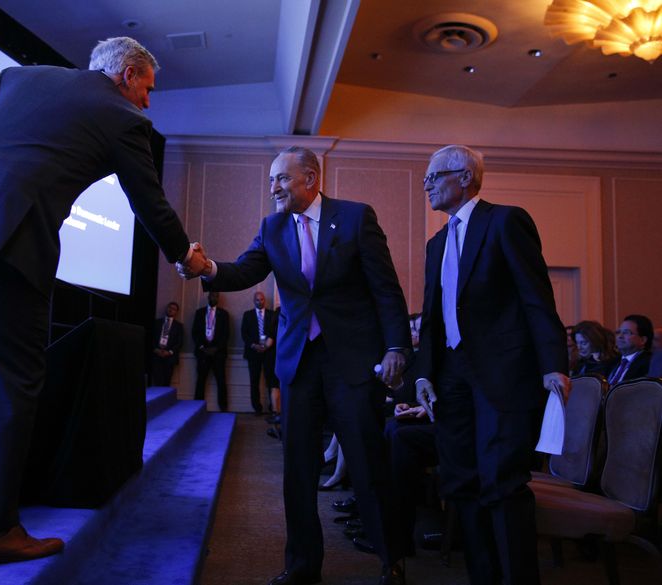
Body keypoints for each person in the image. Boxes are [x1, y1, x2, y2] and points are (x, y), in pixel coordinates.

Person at [0, 37, 205, 567]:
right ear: (127, 75)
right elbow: (148, 201)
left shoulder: (22, 77)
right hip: (2, 231)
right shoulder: (124, 118)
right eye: (147, 89)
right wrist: (185, 257)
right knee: (16, 377)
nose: (148, 102)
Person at [181, 146, 411, 585]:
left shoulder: (357, 217)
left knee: (367, 464)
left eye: (281, 179)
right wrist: (206, 267)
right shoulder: (272, 228)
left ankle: (391, 560)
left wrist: (396, 345)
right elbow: (244, 271)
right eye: (271, 181)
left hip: (351, 363)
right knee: (298, 470)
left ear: (310, 178)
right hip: (298, 364)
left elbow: (386, 289)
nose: (273, 189)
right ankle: (303, 566)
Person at [413, 145, 570, 585]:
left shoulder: (505, 221)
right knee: (461, 483)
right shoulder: (436, 243)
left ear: (464, 176)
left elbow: (536, 297)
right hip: (451, 377)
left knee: (502, 484)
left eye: (433, 176)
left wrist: (554, 363)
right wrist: (424, 373)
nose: (426, 184)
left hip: (504, 375)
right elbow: (430, 318)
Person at [193, 291, 230, 411]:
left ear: (218, 298)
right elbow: (195, 332)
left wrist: (216, 348)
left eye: (216, 296)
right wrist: (203, 347)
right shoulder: (199, 313)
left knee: (221, 381)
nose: (214, 297)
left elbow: (226, 334)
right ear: (208, 297)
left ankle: (223, 408)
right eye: (212, 295)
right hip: (203, 352)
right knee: (200, 380)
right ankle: (197, 408)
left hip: (218, 353)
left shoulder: (224, 314)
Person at [242, 291, 276, 414]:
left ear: (264, 301)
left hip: (269, 354)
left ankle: (274, 408)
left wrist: (266, 346)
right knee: (254, 381)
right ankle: (257, 408)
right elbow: (244, 334)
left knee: (271, 381)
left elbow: (275, 334)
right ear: (254, 301)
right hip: (253, 353)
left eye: (262, 299)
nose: (259, 302)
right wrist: (254, 345)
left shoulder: (272, 315)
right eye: (257, 300)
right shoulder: (247, 315)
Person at [607, 314, 654, 385]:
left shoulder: (650, 364)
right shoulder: (611, 362)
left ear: (643, 340)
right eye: (618, 332)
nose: (620, 336)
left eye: (626, 332)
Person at [150, 301, 184, 386]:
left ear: (176, 312)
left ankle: (165, 399)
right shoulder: (157, 322)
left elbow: (179, 342)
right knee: (157, 381)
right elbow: (151, 337)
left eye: (173, 309)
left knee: (166, 382)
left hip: (170, 358)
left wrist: (169, 352)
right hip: (156, 356)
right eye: (169, 307)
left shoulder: (179, 326)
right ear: (166, 308)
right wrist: (155, 349)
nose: (171, 310)